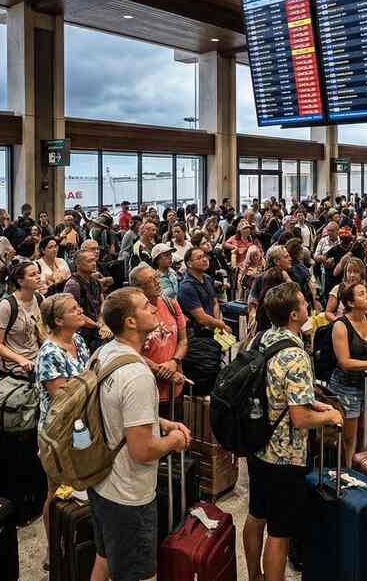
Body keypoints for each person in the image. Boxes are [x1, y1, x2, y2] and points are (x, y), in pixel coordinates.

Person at [243, 282, 343, 581]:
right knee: (279, 532)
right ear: (293, 315)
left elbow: (275, 389)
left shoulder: (261, 338)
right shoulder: (296, 355)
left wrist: (312, 402)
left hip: (256, 441)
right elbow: (299, 419)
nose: (308, 304)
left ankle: (253, 576)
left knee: (256, 514)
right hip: (284, 455)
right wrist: (330, 415)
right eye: (302, 302)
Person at [90, 287, 191, 581]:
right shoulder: (137, 375)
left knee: (105, 557)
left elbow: (115, 410)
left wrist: (160, 422)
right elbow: (142, 450)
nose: (154, 308)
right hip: (128, 494)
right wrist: (173, 441)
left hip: (100, 481)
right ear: (130, 321)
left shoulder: (104, 353)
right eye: (146, 306)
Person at [36, 293, 102, 575]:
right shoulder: (50, 352)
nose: (80, 311)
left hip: (81, 427)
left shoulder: (77, 341)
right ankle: (55, 548)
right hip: (58, 434)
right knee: (57, 491)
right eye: (74, 309)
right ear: (59, 320)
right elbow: (63, 400)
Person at [326, 280, 367, 455]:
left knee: (365, 429)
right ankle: (347, 467)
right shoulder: (341, 325)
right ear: (350, 302)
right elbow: (344, 362)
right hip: (346, 386)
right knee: (349, 436)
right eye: (362, 294)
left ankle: (362, 463)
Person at [130, 263, 188, 406]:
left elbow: (183, 340)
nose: (157, 282)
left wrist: (174, 361)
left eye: (156, 277)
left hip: (175, 386)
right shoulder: (132, 314)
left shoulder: (171, 304)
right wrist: (160, 370)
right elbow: (130, 351)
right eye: (150, 280)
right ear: (138, 288)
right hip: (147, 390)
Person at [0, 260, 45, 375]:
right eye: (32, 275)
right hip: (13, 369)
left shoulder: (40, 299)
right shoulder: (7, 305)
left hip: (37, 364)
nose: (38, 277)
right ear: (20, 281)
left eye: (38, 273)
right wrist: (21, 360)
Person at [63, 248, 112, 352]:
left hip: (97, 327)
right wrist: (98, 325)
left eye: (94, 260)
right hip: (82, 332)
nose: (94, 264)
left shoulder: (95, 282)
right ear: (78, 264)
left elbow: (102, 304)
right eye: (89, 261)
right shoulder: (73, 285)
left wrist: (102, 322)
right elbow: (72, 313)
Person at [177, 246, 232, 338]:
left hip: (213, 326)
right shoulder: (187, 287)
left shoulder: (207, 278)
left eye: (204, 256)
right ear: (189, 264)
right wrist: (221, 325)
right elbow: (201, 318)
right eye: (199, 258)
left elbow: (214, 302)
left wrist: (217, 323)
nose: (205, 260)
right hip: (197, 334)